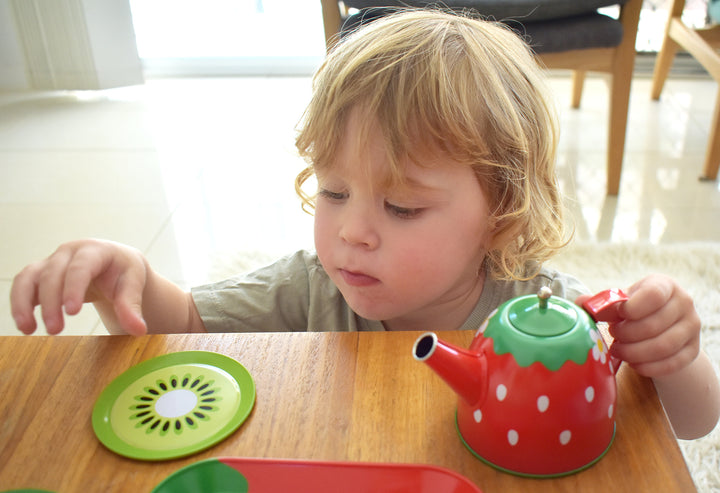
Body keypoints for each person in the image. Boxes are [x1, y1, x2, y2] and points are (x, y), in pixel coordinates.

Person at [9, 10, 719, 440]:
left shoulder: (546, 315)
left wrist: (675, 353)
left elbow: (691, 423)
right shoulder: (311, 289)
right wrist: (125, 280)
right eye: (335, 191)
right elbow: (185, 328)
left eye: (402, 206)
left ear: (502, 214)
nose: (351, 232)